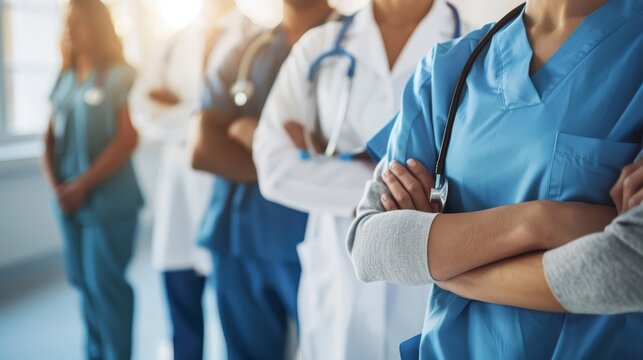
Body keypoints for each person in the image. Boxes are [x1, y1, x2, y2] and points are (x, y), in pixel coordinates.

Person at [347, 0, 642, 358]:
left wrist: (442, 261)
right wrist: (544, 221)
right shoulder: (448, 68)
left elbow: (629, 268)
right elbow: (370, 244)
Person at [253, 0, 464, 358]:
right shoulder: (319, 47)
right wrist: (401, 193)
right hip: (338, 274)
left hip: (431, 276)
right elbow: (275, 166)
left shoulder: (478, 44)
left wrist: (330, 159)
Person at [188, 0, 332, 358]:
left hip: (314, 241)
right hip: (237, 243)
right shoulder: (246, 51)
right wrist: (292, 160)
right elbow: (202, 149)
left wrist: (252, 136)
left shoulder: (352, 45)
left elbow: (359, 153)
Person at [129, 1, 258, 359]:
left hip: (231, 187)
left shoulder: (256, 38)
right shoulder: (171, 43)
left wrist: (179, 108)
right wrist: (204, 123)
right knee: (182, 308)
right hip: (178, 193)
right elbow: (141, 106)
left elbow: (250, 117)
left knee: (240, 315)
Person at [41, 1, 142, 359]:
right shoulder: (65, 78)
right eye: (68, 23)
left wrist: (82, 185)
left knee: (106, 288)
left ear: (97, 27)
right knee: (83, 285)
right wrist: (58, 187)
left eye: (80, 23)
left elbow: (128, 138)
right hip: (69, 203)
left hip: (109, 203)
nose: (71, 30)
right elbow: (49, 138)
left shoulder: (119, 75)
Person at [437, 153, 643, 315]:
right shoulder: (433, 101)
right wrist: (547, 222)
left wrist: (450, 272)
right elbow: (405, 244)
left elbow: (628, 263)